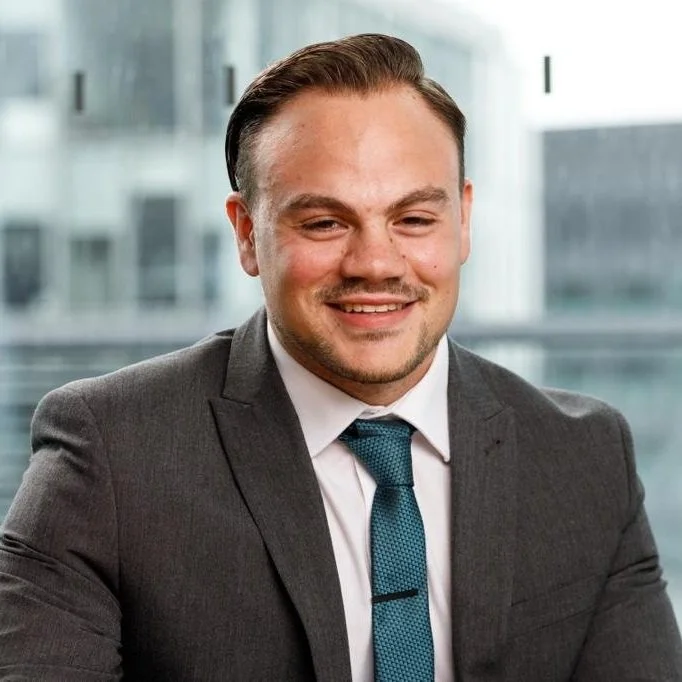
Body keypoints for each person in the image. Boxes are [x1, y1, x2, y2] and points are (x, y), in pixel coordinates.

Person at [0, 33, 681, 682]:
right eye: (325, 223)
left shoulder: (585, 457)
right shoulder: (109, 455)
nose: (375, 264)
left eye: (414, 219)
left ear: (464, 221)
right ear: (247, 233)